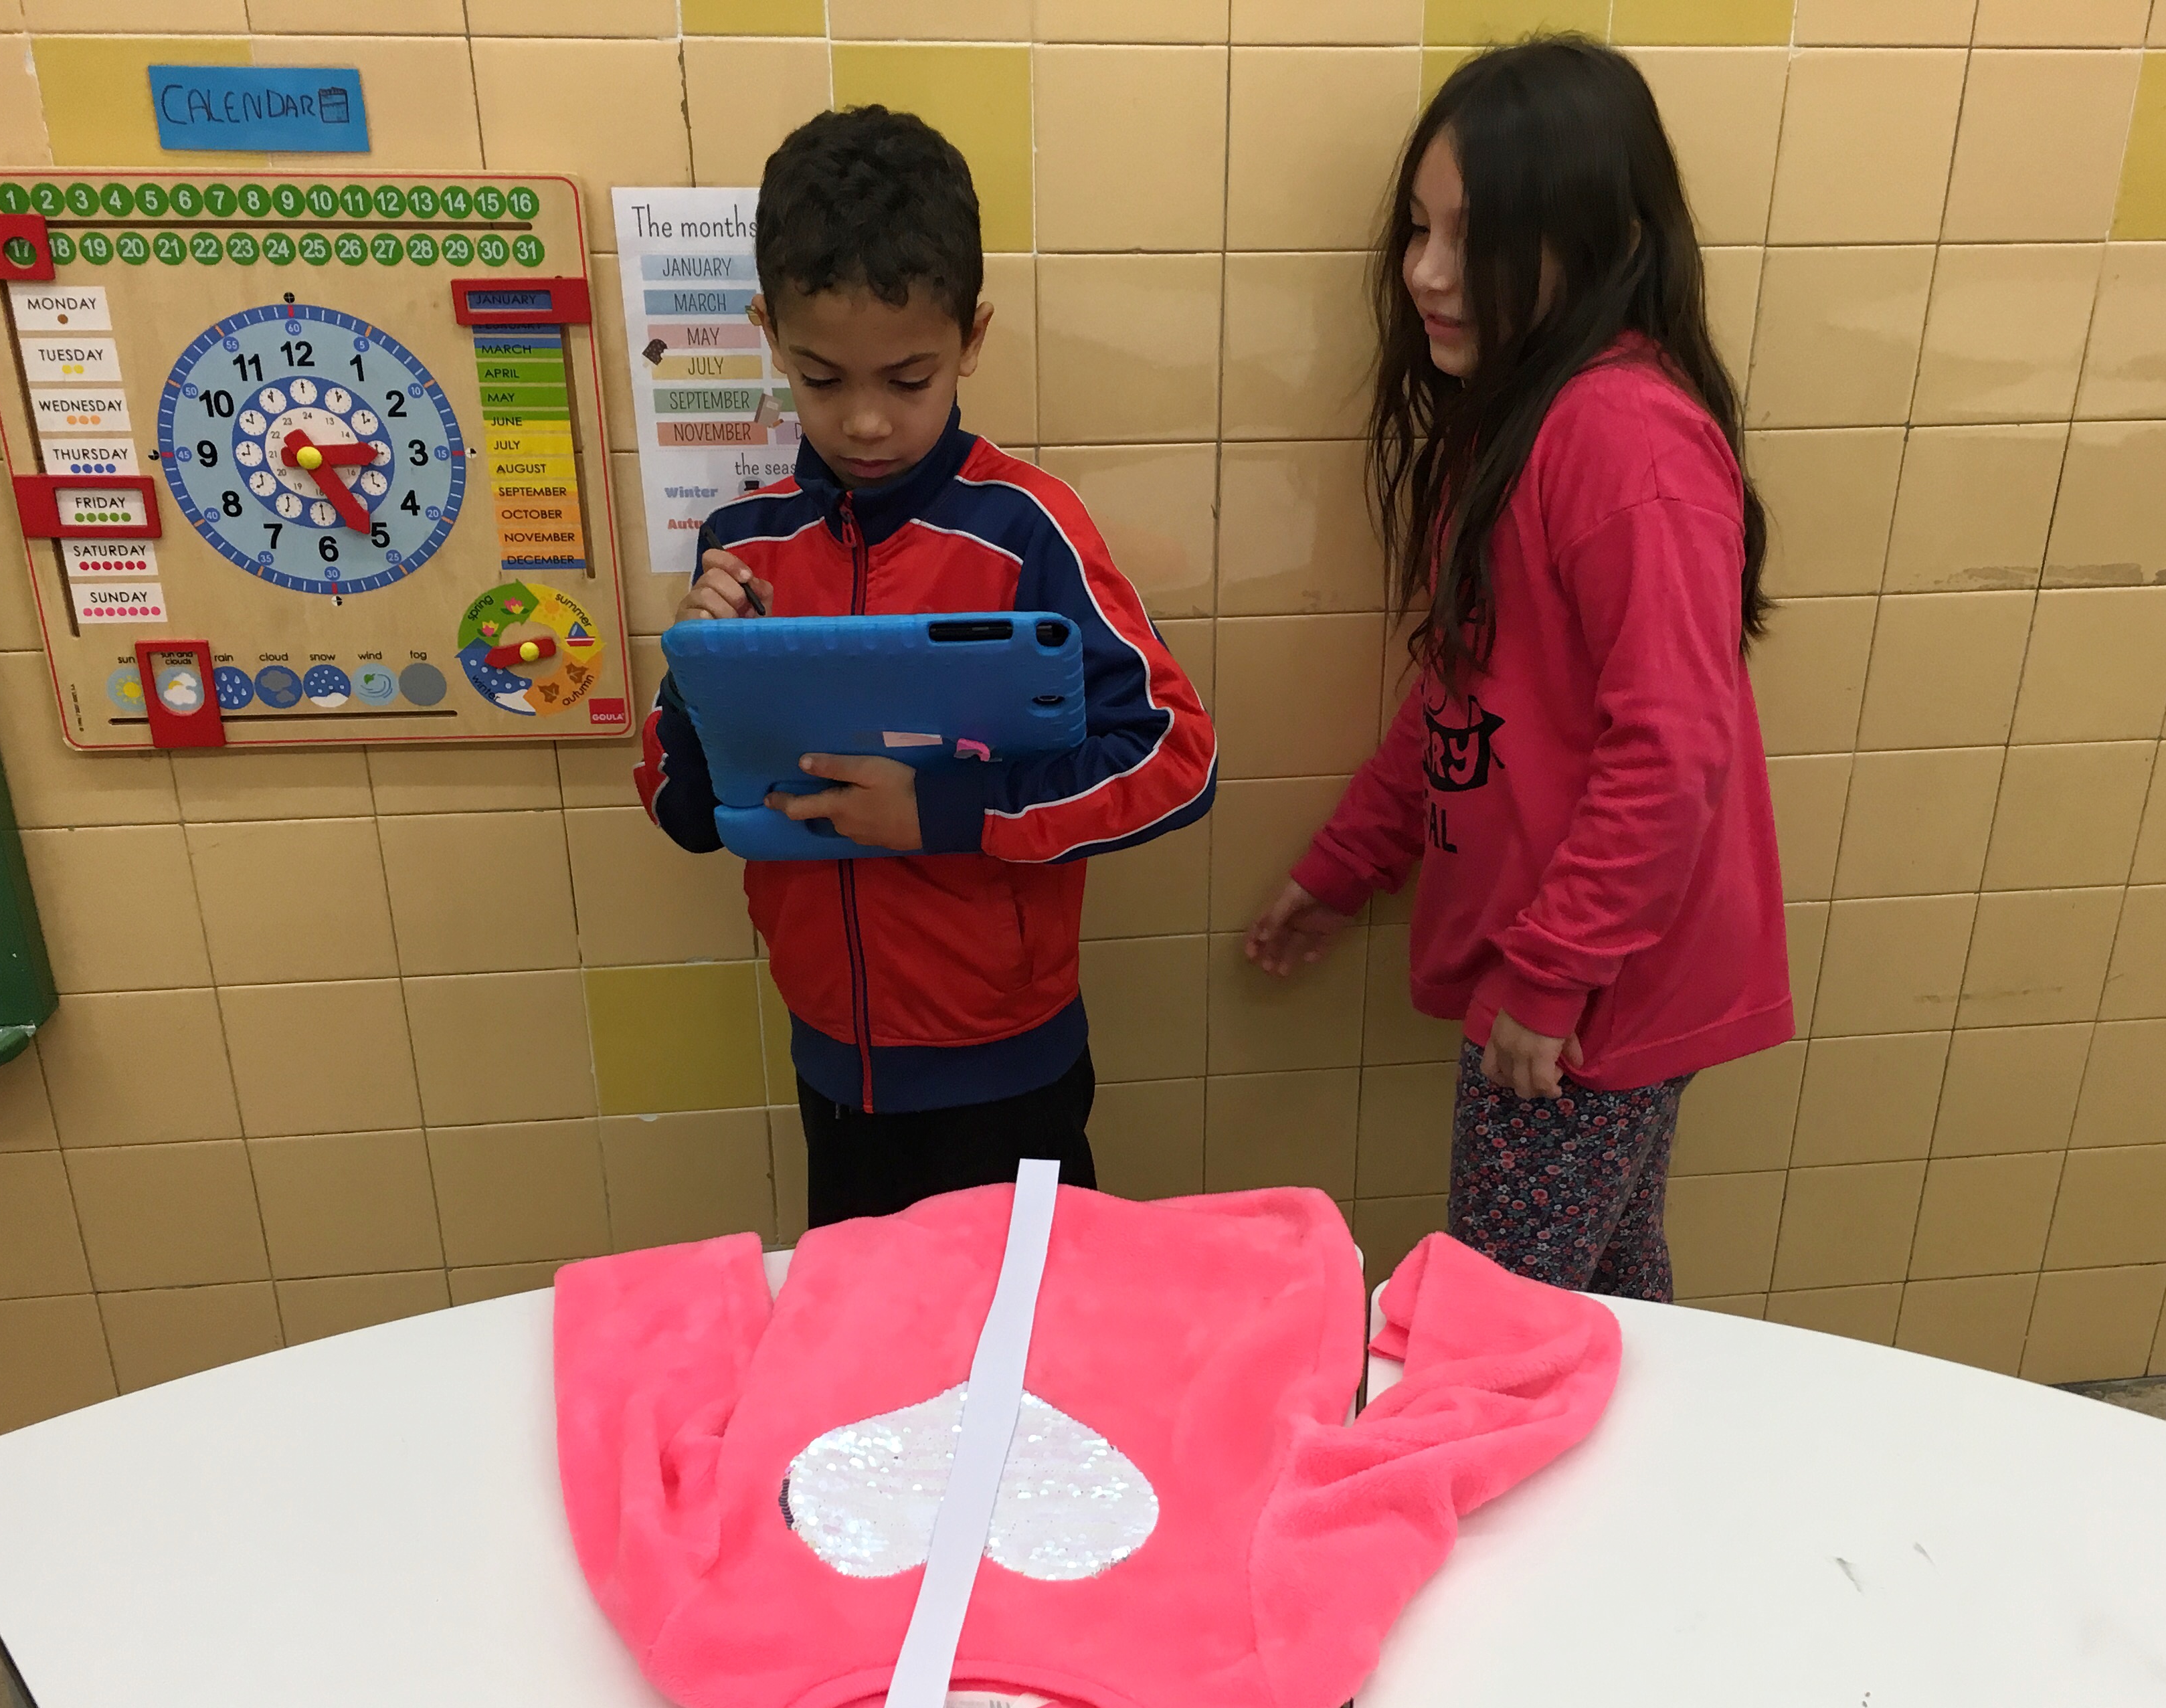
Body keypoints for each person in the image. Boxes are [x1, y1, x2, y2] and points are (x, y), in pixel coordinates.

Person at [1245, 35, 1791, 1302]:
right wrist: (1348, 864)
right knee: (1609, 1293)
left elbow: (1673, 747)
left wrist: (1551, 977)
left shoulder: (1623, 439)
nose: (1428, 273)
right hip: (1585, 975)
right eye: (1419, 228)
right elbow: (1464, 691)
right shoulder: (1528, 420)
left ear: (1605, 243)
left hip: (1595, 991)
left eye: (1474, 238)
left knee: (1498, 1319)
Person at [644, 106, 1216, 1228]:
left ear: (973, 337)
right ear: (770, 335)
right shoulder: (745, 542)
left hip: (1008, 1067)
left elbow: (1174, 758)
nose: (866, 421)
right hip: (832, 1063)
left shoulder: (1027, 529)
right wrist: (696, 670)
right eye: (822, 379)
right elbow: (686, 815)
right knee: (865, 1330)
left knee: (1026, 1325)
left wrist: (946, 812)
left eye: (910, 379)